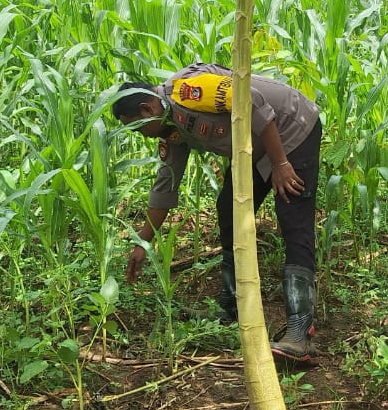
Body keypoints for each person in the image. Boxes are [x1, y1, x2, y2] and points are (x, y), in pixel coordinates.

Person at [113, 64, 322, 361]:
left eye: (135, 126)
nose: (141, 135)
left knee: (293, 218)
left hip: (291, 130)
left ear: (147, 110)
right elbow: (165, 186)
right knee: (228, 209)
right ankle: (230, 307)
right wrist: (142, 242)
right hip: (255, 146)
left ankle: (300, 334)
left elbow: (254, 103)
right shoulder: (170, 127)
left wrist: (280, 164)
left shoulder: (189, 91)